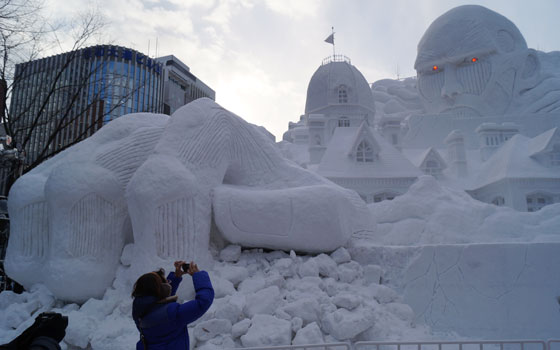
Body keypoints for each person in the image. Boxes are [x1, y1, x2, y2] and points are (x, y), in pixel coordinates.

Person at [132, 260, 214, 350]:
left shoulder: (139, 311)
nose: (167, 282)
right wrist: (198, 275)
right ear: (160, 289)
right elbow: (203, 302)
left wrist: (175, 277)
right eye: (165, 282)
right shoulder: (172, 314)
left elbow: (159, 305)